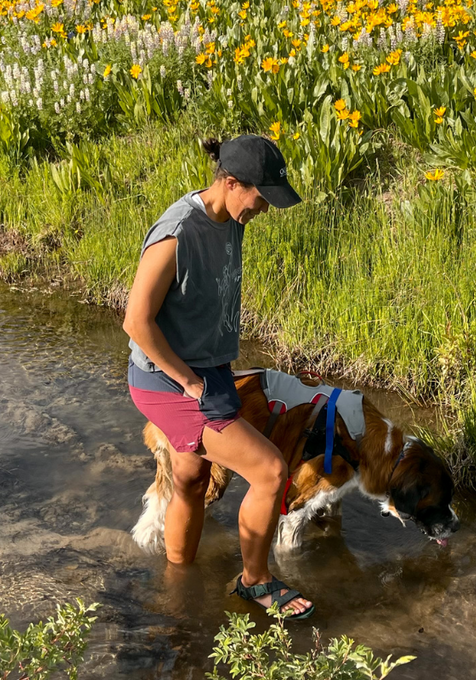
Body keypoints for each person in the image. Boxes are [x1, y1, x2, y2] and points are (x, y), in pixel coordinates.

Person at [122, 135, 314, 619]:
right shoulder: (177, 233)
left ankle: (177, 585)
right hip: (167, 381)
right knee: (270, 472)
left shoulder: (230, 217)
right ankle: (256, 581)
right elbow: (136, 322)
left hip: (209, 371)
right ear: (230, 183)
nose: (266, 209)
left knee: (191, 476)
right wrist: (187, 381)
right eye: (261, 197)